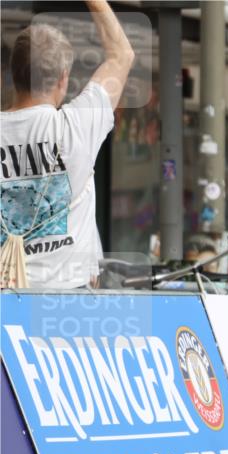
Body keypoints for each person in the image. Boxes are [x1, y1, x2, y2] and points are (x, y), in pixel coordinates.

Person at [1, 1, 134, 289]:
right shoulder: (78, 127)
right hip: (67, 307)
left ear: (12, 76)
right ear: (63, 80)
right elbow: (121, 55)